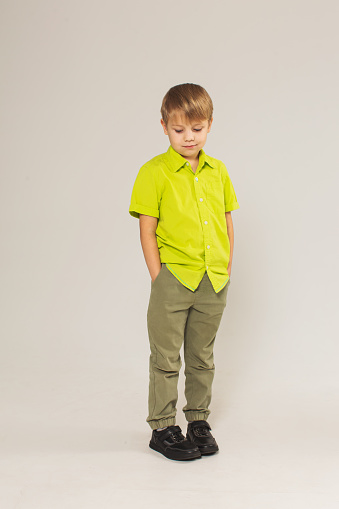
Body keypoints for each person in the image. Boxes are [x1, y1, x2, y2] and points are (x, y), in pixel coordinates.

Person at [129, 83, 240, 461]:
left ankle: (197, 420)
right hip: (173, 278)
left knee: (202, 355)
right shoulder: (154, 172)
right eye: (179, 130)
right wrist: (158, 276)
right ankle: (162, 427)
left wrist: (226, 265)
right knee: (165, 357)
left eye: (197, 128)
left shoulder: (218, 171)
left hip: (213, 280)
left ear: (209, 125)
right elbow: (147, 228)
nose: (189, 137)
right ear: (164, 126)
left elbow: (225, 219)